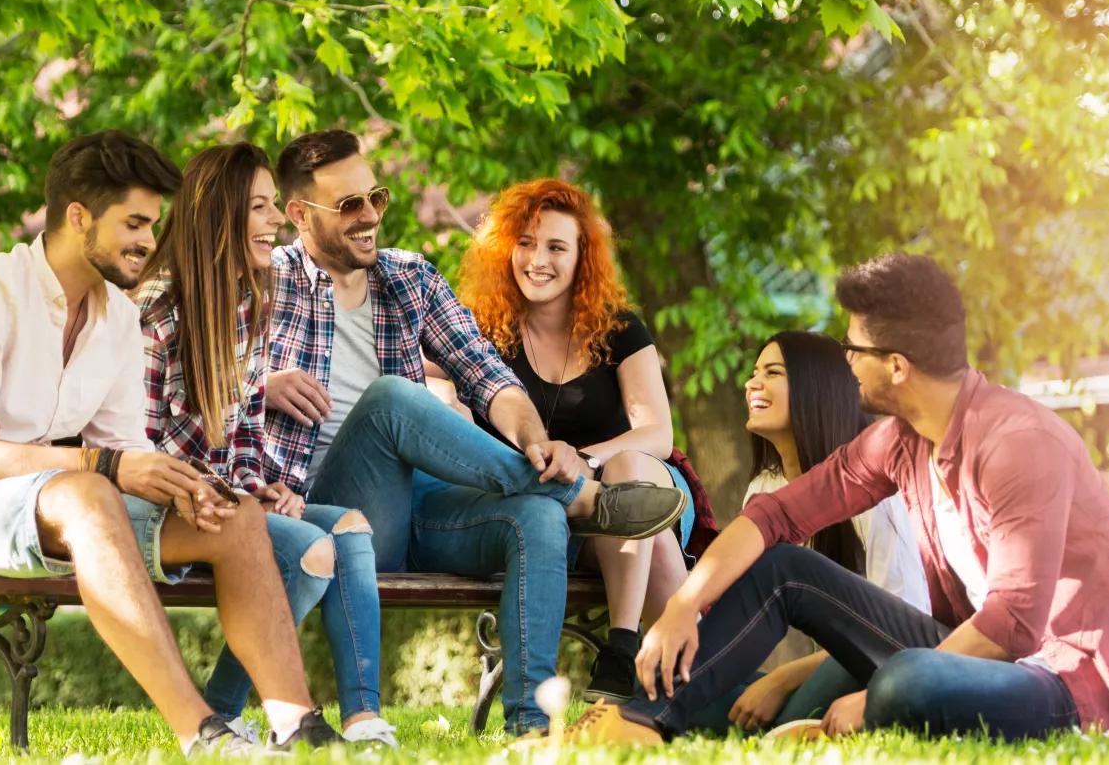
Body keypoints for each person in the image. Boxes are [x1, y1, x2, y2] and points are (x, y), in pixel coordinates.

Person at [540, 252, 1109, 746]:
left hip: (1063, 681)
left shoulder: (1019, 443)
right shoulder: (898, 441)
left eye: (854, 347)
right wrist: (682, 603)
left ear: (897, 365)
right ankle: (644, 722)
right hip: (966, 650)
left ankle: (850, 721)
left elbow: (1016, 623)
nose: (845, 358)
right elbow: (777, 516)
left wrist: (875, 693)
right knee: (783, 568)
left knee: (909, 678)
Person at [0, 130, 338, 757]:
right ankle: (201, 732)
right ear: (77, 217)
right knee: (90, 493)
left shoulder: (117, 317)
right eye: (135, 223)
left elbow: (123, 449)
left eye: (153, 223)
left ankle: (298, 724)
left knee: (234, 516)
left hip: (43, 503)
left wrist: (183, 486)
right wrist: (109, 466)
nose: (149, 241)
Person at [257, 129, 687, 737]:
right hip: (321, 509)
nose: (369, 216)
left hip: (414, 510)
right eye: (348, 205)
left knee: (533, 516)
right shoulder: (263, 284)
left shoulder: (409, 279)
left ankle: (531, 726)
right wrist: (260, 384)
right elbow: (181, 363)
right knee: (392, 399)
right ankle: (585, 500)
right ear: (298, 215)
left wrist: (536, 441)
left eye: (374, 198)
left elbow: (492, 381)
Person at [134, 143, 395, 747]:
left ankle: (338, 719)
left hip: (229, 501)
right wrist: (237, 495)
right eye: (260, 207)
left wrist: (262, 486)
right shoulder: (158, 309)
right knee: (309, 550)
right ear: (218, 214)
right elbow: (141, 443)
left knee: (341, 532)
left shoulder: (247, 302)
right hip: (169, 510)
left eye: (274, 205)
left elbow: (248, 425)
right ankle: (247, 717)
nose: (276, 220)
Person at [455, 178, 698, 704]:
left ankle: (621, 649)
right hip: (545, 514)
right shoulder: (479, 331)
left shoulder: (620, 329)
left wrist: (586, 460)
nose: (536, 259)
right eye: (524, 242)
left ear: (582, 257)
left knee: (630, 476)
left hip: (633, 483)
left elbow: (657, 432)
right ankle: (693, 689)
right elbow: (434, 398)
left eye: (556, 247)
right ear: (504, 249)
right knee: (650, 534)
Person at [685, 330, 928, 733]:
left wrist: (783, 679)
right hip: (826, 672)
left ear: (816, 386)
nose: (751, 383)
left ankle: (788, 726)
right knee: (692, 682)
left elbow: (902, 637)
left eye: (773, 372)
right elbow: (745, 619)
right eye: (753, 372)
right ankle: (787, 726)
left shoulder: (874, 489)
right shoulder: (765, 488)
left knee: (808, 685)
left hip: (887, 667)